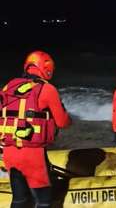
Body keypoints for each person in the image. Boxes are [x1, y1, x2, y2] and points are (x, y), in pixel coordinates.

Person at [0, 50, 71, 208]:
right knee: (43, 201)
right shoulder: (47, 89)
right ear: (46, 68)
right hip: (32, 156)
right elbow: (62, 122)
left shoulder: (8, 87)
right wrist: (68, 118)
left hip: (10, 152)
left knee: (19, 199)